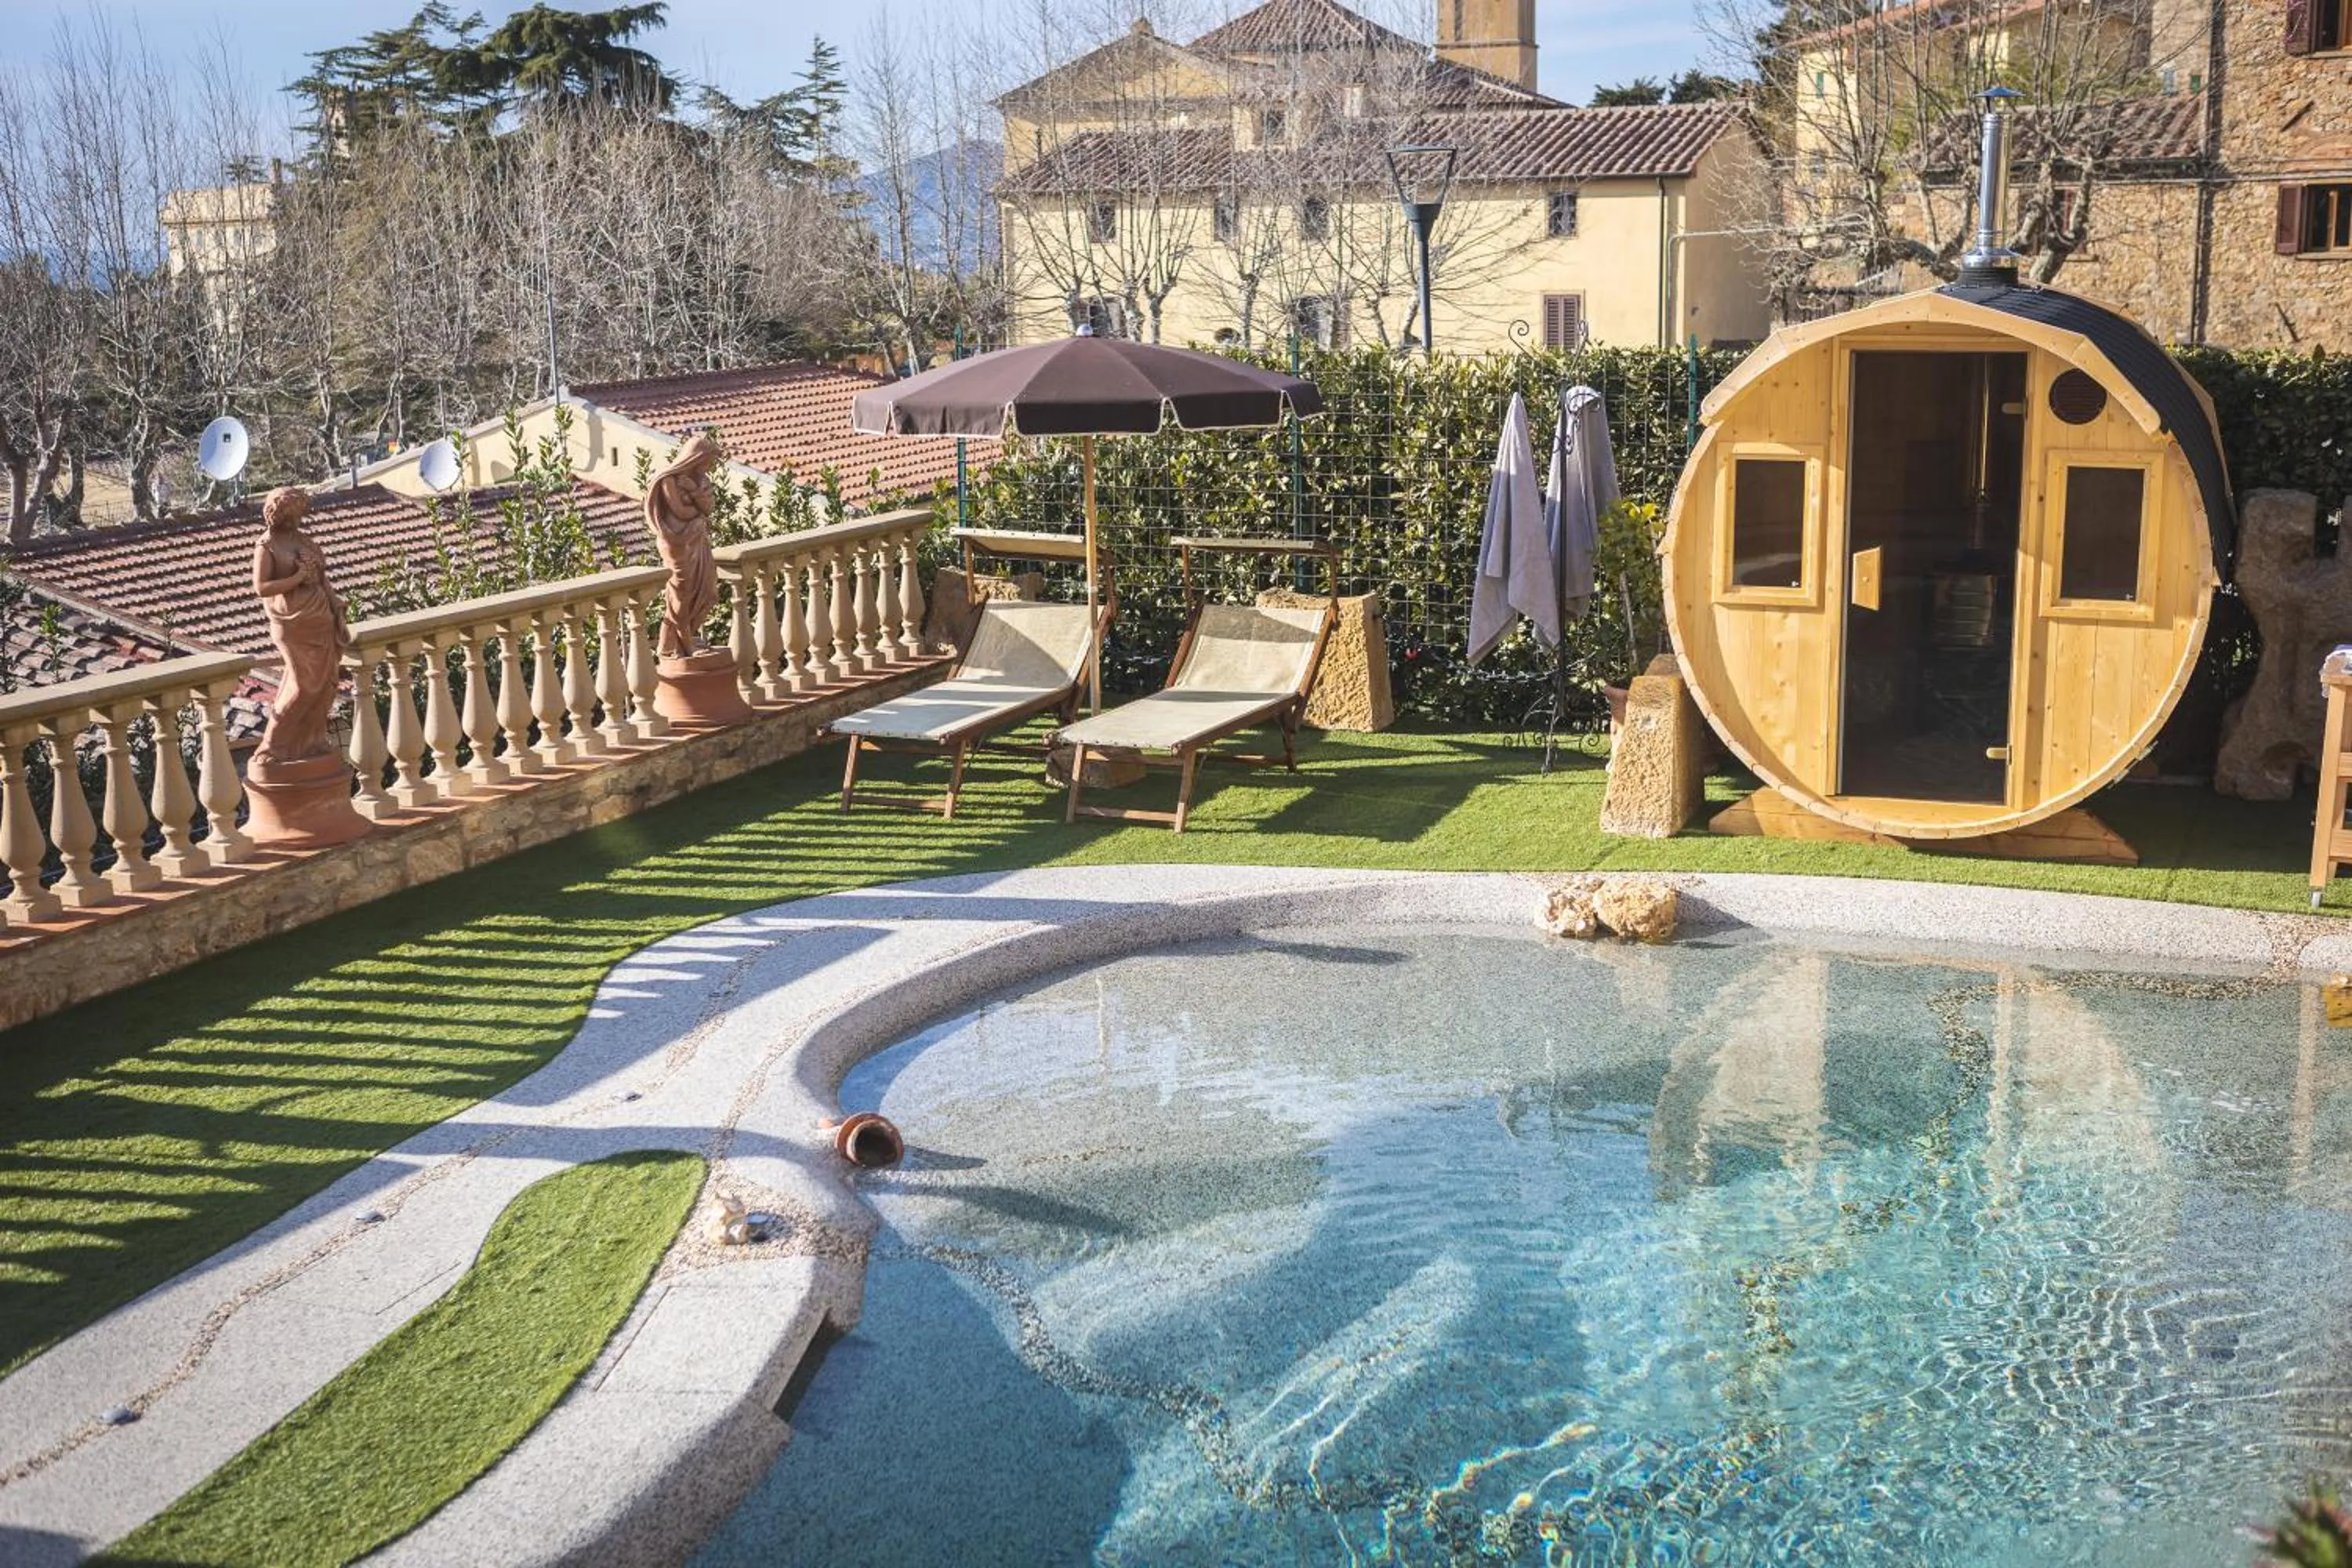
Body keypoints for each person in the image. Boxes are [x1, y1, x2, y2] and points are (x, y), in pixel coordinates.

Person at [250, 486, 351, 769]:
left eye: (300, 514)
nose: (298, 519)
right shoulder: (266, 545)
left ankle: (312, 741)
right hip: (291, 623)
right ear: (279, 513)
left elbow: (322, 579)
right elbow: (261, 587)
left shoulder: (303, 540)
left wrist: (336, 606)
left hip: (320, 619)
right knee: (302, 685)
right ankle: (273, 746)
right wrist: (297, 577)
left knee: (326, 684)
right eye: (293, 514)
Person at [644, 431, 724, 660]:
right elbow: (680, 511)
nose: (710, 466)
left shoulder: (701, 481)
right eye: (708, 460)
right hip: (676, 541)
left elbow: (707, 509)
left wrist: (693, 492)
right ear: (696, 457)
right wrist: (696, 508)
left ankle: (675, 640)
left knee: (707, 589)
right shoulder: (668, 479)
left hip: (696, 540)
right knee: (682, 591)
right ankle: (684, 641)